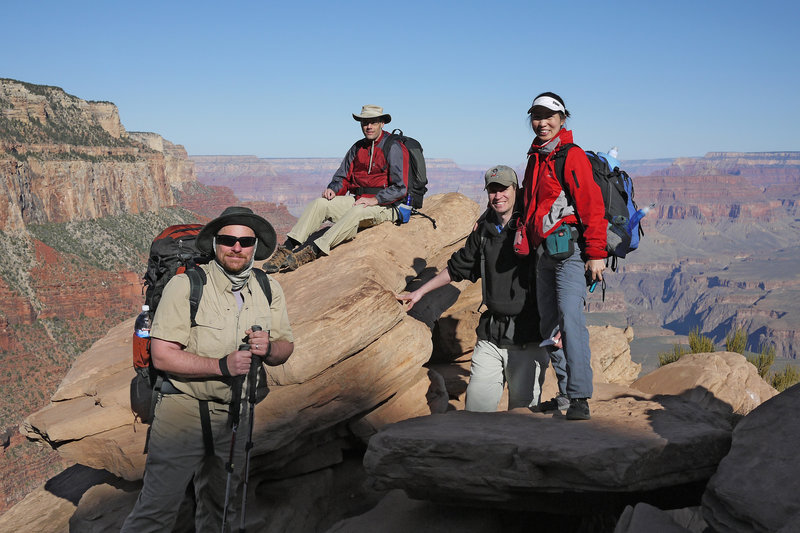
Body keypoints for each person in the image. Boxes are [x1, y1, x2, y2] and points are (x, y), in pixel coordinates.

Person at [122, 206, 295, 532]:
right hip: (183, 412)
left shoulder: (267, 288)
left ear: (256, 246)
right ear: (215, 243)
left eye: (245, 241)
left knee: (222, 509)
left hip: (237, 415)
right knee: (155, 513)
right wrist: (221, 365)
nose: (237, 247)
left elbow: (286, 346)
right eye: (228, 239)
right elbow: (162, 356)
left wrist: (269, 348)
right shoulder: (186, 286)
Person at [396, 166, 549, 412]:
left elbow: (558, 275)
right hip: (491, 335)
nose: (498, 196)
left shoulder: (533, 226)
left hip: (527, 338)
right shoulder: (485, 228)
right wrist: (420, 292)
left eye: (504, 189)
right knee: (476, 414)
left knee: (523, 418)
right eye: (492, 190)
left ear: (515, 190)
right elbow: (458, 267)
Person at [521, 92, 607, 421]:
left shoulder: (570, 156)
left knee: (570, 320)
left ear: (562, 120)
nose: (542, 123)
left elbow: (592, 206)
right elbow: (530, 204)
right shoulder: (535, 157)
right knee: (549, 325)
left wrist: (596, 253)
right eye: (536, 117)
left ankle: (580, 397)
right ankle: (565, 395)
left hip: (571, 251)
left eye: (548, 117)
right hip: (543, 253)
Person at [265, 104, 409, 272]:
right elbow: (343, 177)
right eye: (364, 123)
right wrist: (333, 189)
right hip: (358, 199)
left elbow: (401, 187)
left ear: (382, 123)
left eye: (373, 122)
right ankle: (287, 248)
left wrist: (375, 199)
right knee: (320, 203)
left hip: (386, 206)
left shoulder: (393, 147)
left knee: (357, 211)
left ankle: (313, 251)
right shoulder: (357, 147)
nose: (368, 127)